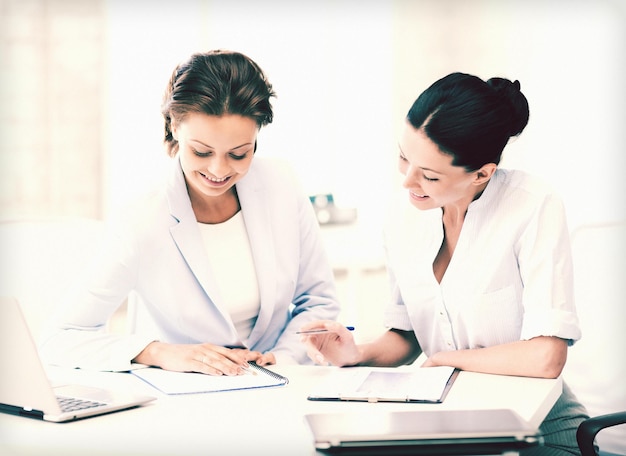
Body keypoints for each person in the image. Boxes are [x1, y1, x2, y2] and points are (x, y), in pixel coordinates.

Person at [300, 72, 589, 455]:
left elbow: (546, 356)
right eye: (403, 158)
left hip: (538, 433)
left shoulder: (532, 205)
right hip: (446, 429)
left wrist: (446, 361)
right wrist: (356, 353)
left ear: (482, 173)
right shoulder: (402, 215)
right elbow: (407, 336)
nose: (407, 181)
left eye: (430, 175)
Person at [40, 50, 339, 375]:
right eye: (201, 151)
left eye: (239, 154)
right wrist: (158, 353)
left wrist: (283, 357)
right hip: (180, 402)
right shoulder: (142, 217)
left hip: (277, 388)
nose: (218, 170)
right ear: (174, 127)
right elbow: (61, 338)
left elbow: (318, 300)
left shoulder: (281, 185)